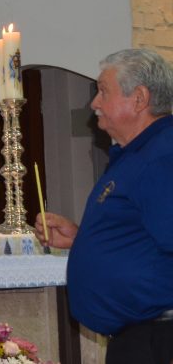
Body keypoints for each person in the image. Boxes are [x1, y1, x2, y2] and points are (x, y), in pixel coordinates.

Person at [34, 48, 173, 363]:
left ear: (138, 98)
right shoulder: (136, 154)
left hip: (160, 339)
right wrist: (81, 237)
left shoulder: (163, 156)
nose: (94, 103)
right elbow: (142, 234)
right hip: (140, 337)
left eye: (103, 91)